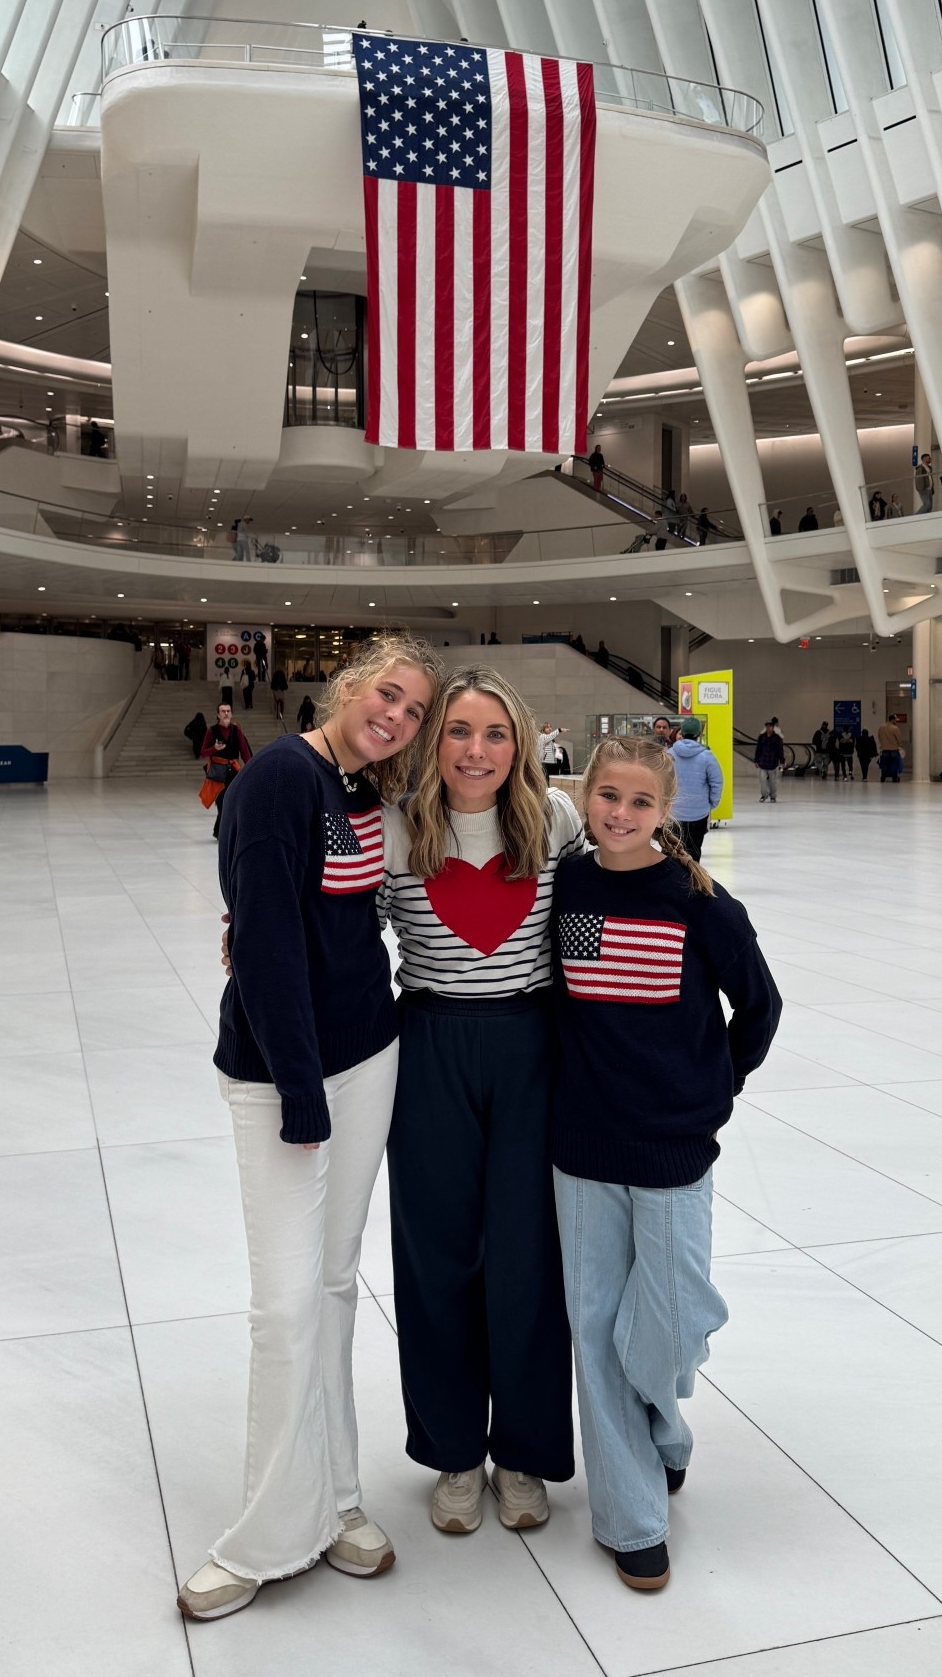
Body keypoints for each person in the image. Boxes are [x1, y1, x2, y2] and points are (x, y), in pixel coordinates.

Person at [179, 635, 442, 1624]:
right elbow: (266, 944)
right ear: (349, 686)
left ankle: (333, 1501)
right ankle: (264, 1533)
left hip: (370, 1054)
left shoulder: (362, 788)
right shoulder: (282, 778)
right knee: (286, 1304)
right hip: (285, 1074)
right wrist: (299, 1089)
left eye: (415, 710)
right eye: (390, 695)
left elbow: (348, 922)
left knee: (333, 1288)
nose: (399, 718)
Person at [552, 737, 781, 1592]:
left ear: (668, 809)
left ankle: (662, 1424)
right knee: (595, 1325)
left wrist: (717, 1084)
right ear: (587, 796)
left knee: (672, 1312)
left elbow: (759, 1004)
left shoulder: (698, 902)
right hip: (579, 1145)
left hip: (674, 1144)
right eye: (607, 796)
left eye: (640, 802)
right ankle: (630, 1515)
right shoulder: (567, 885)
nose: (619, 814)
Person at [380, 668, 582, 1536]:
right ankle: (454, 1450)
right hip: (430, 1049)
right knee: (435, 1254)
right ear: (434, 743)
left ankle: (527, 1451)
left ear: (522, 742)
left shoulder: (554, 821)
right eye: (458, 731)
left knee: (529, 1254)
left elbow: (616, 906)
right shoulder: (396, 828)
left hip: (530, 1046)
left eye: (495, 733)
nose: (476, 750)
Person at [667, 717, 722, 861]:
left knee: (670, 851)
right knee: (693, 852)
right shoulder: (707, 756)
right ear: (699, 734)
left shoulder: (669, 754)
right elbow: (716, 782)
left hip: (673, 813)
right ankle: (692, 881)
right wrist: (712, 803)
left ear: (681, 732)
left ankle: (669, 882)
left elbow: (659, 782)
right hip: (698, 813)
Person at [202, 702, 253, 839]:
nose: (226, 714)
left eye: (228, 711)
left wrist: (249, 767)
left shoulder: (236, 731)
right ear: (218, 714)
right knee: (221, 803)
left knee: (233, 801)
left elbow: (244, 750)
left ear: (231, 714)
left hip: (233, 771)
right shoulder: (212, 731)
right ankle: (221, 832)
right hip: (218, 773)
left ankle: (220, 831)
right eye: (223, 711)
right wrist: (215, 749)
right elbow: (203, 752)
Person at [753, 718, 783, 803]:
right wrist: (756, 760)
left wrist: (782, 761)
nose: (768, 728)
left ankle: (773, 796)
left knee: (772, 782)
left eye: (770, 726)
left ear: (773, 727)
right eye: (767, 726)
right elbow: (758, 749)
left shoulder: (777, 738)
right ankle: (764, 795)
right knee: (762, 780)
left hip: (773, 763)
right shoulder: (761, 737)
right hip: (763, 762)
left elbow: (780, 750)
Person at [877, 716, 904, 782]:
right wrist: (900, 745)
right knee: (894, 765)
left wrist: (883, 745)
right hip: (893, 750)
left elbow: (879, 737)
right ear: (893, 720)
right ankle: (894, 778)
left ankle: (883, 777)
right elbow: (899, 739)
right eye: (895, 720)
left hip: (884, 750)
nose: (896, 721)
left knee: (884, 764)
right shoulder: (895, 728)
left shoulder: (881, 728)